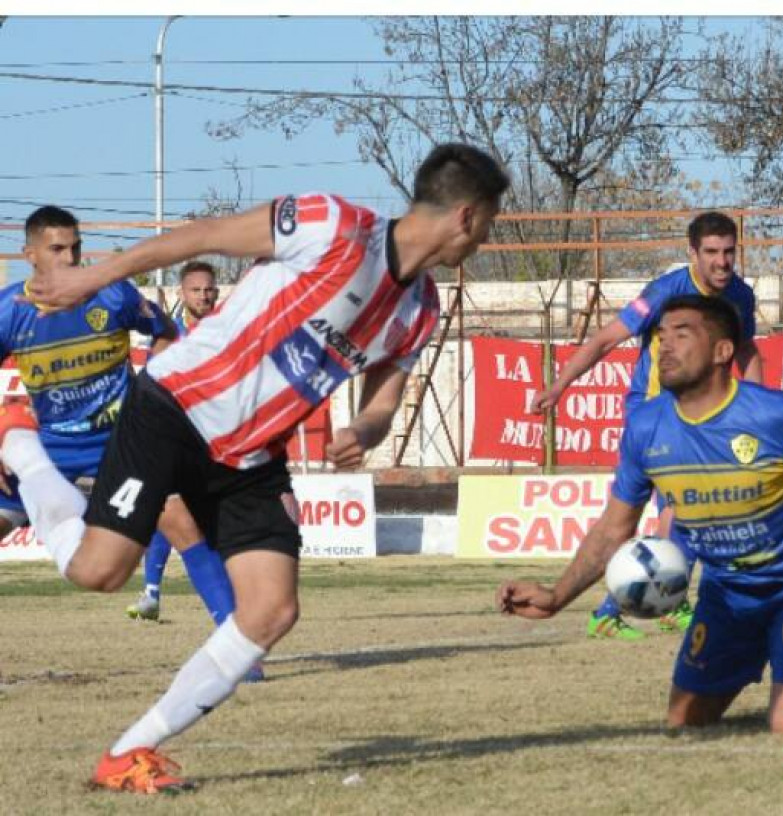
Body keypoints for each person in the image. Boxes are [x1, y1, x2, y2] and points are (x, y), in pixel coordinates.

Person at [2, 142, 509, 794]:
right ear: (466, 216)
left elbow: (384, 401)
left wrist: (364, 430)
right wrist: (89, 278)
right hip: (175, 409)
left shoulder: (420, 309)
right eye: (491, 221)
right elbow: (204, 235)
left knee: (271, 610)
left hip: (249, 456)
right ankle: (20, 446)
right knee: (101, 571)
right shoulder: (334, 223)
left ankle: (128, 753)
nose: (488, 236)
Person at [498, 295, 783, 732]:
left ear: (723, 350)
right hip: (727, 594)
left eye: (683, 333)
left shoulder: (776, 415)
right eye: (662, 334)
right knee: (685, 723)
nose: (665, 344)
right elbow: (614, 527)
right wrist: (557, 595)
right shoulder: (645, 428)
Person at [0, 207, 236, 639]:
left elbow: (164, 333)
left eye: (76, 247)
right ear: (30, 254)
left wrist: (154, 395)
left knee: (184, 525)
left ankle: (241, 647)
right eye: (57, 249)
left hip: (123, 441)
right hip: (49, 446)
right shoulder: (11, 310)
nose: (70, 259)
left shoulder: (113, 296)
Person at [531, 211, 763, 641]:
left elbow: (746, 349)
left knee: (685, 512)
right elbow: (605, 339)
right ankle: (641, 605)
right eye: (711, 252)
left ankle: (629, 607)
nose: (722, 262)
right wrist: (559, 385)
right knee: (670, 511)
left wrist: (758, 402)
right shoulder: (664, 292)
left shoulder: (741, 296)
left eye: (729, 251)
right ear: (692, 253)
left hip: (702, 413)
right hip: (653, 413)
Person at [127, 260, 221, 622]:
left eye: (209, 289)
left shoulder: (225, 332)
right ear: (183, 293)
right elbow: (155, 384)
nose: (203, 295)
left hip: (216, 438)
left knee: (188, 518)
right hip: (178, 438)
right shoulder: (169, 338)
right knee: (168, 511)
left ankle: (155, 592)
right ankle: (152, 592)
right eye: (196, 290)